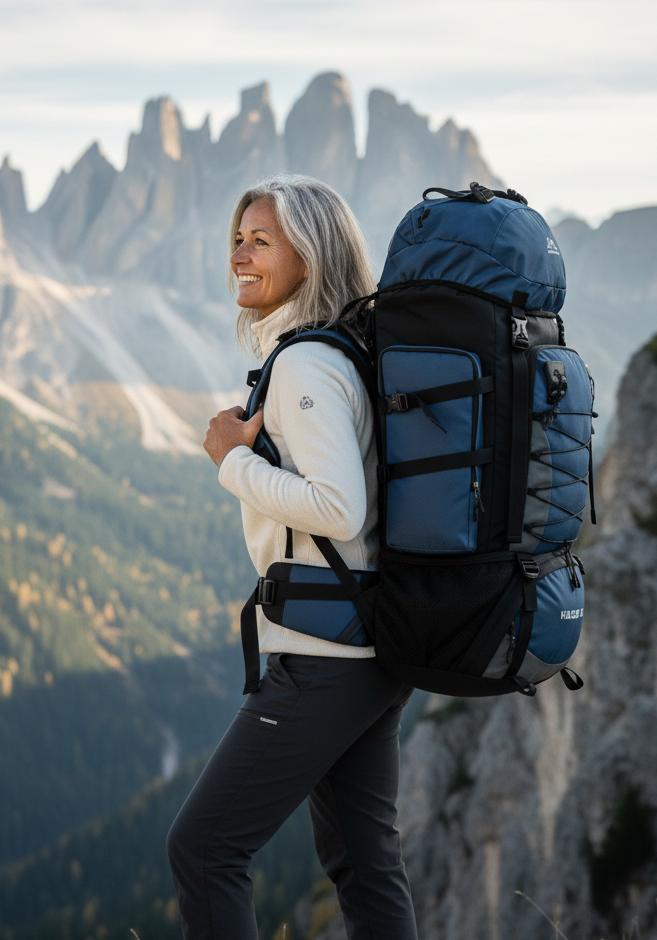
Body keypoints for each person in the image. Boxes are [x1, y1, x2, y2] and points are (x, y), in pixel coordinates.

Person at [166, 175, 417, 940]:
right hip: (371, 647)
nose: (239, 254)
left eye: (261, 240)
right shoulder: (350, 350)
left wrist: (230, 460)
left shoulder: (307, 365)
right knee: (365, 864)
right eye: (237, 238)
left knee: (205, 848)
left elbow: (339, 509)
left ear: (309, 258)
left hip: (325, 654)